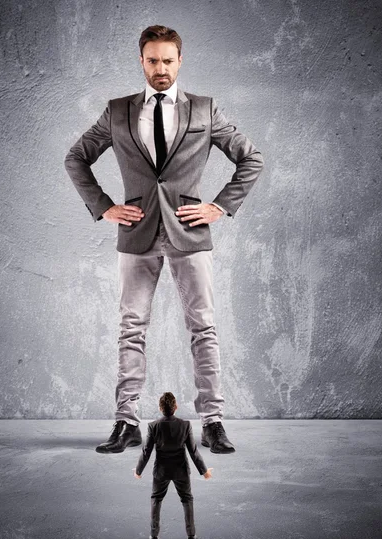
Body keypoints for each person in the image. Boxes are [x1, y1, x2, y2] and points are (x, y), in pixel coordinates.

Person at [65, 25, 264, 455]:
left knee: (203, 328)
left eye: (168, 61)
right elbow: (76, 157)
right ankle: (126, 421)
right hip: (136, 233)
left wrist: (220, 206)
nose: (160, 69)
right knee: (131, 328)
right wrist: (103, 206)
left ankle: (212, 423)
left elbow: (251, 158)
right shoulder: (118, 112)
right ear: (141, 61)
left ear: (180, 60)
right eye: (152, 60)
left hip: (190, 233)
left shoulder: (205, 110)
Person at [133, 392, 213, 539]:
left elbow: (146, 451)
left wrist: (138, 471)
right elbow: (193, 451)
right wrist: (204, 471)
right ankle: (191, 536)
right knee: (187, 499)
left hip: (161, 471)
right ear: (176, 407)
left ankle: (154, 536)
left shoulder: (153, 426)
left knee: (156, 499)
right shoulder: (185, 425)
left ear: (160, 408)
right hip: (181, 471)